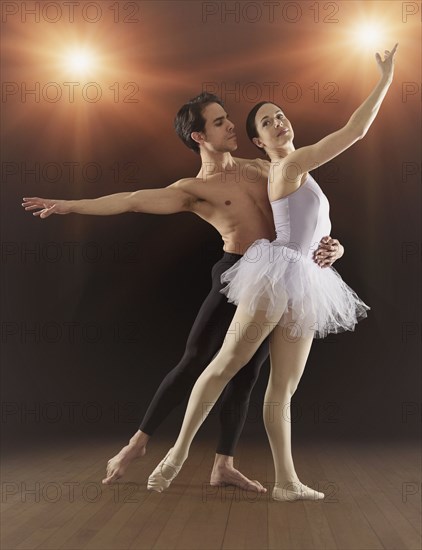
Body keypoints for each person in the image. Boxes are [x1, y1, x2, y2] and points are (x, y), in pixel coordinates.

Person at [22, 93, 344, 493]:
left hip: (280, 279)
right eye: (219, 122)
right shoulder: (195, 188)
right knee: (197, 361)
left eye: (229, 120)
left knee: (249, 376)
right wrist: (69, 206)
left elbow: (309, 220)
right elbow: (131, 201)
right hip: (235, 274)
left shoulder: (262, 167)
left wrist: (334, 248)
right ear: (199, 136)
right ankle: (138, 444)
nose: (230, 126)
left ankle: (223, 466)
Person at [147, 44, 398, 501]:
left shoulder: (300, 169)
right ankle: (176, 455)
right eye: (267, 121)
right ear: (260, 142)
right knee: (225, 364)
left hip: (306, 279)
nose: (278, 121)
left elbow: (312, 227)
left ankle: (285, 482)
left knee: (282, 389)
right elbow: (356, 131)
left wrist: (334, 247)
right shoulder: (290, 164)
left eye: (280, 114)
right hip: (276, 275)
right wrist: (384, 80)